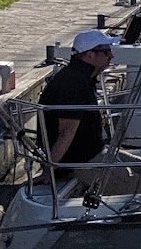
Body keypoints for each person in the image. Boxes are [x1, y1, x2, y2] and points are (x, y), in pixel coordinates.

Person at [42, 29, 114, 180]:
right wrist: (50, 170)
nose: (111, 56)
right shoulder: (73, 83)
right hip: (82, 163)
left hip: (97, 154)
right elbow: (66, 132)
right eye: (106, 52)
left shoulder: (83, 77)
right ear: (90, 55)